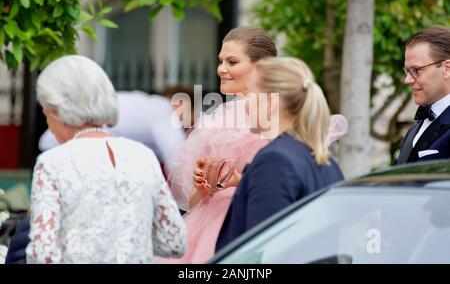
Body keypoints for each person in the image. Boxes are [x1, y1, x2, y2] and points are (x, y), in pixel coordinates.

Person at [159, 27, 348, 263]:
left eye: (232, 61)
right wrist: (207, 186)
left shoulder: (278, 156)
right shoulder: (322, 159)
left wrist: (240, 180)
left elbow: (267, 246)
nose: (221, 69)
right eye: (220, 61)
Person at [25, 55, 186, 263]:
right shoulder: (143, 156)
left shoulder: (51, 163)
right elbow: (174, 242)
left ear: (56, 111)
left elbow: (42, 255)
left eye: (46, 113)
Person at [214, 57, 345, 252]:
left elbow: (265, 252)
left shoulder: (275, 161)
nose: (243, 103)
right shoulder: (328, 163)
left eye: (248, 94)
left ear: (270, 103)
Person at [38, 90, 186, 173]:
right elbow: (178, 162)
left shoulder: (147, 104)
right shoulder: (163, 111)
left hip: (56, 146)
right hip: (60, 148)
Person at [397, 25, 450, 164]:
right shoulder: (414, 129)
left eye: (416, 70)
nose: (407, 80)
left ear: (447, 69)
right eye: (407, 71)